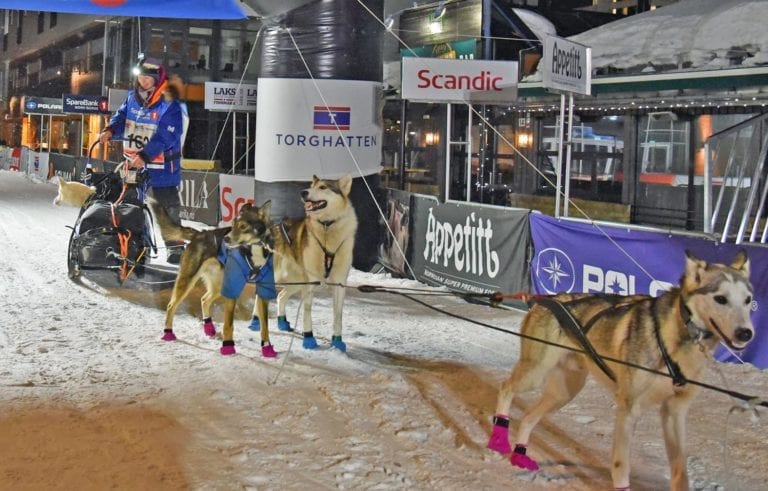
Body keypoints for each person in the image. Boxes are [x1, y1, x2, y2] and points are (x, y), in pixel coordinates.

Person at [99, 56, 186, 264]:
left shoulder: (169, 103)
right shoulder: (132, 97)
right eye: (141, 78)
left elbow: (167, 135)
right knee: (127, 203)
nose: (143, 82)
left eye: (148, 78)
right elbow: (121, 118)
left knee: (167, 208)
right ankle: (132, 244)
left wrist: (145, 156)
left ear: (157, 79)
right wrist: (110, 130)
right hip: (132, 163)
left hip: (162, 166)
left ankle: (175, 248)